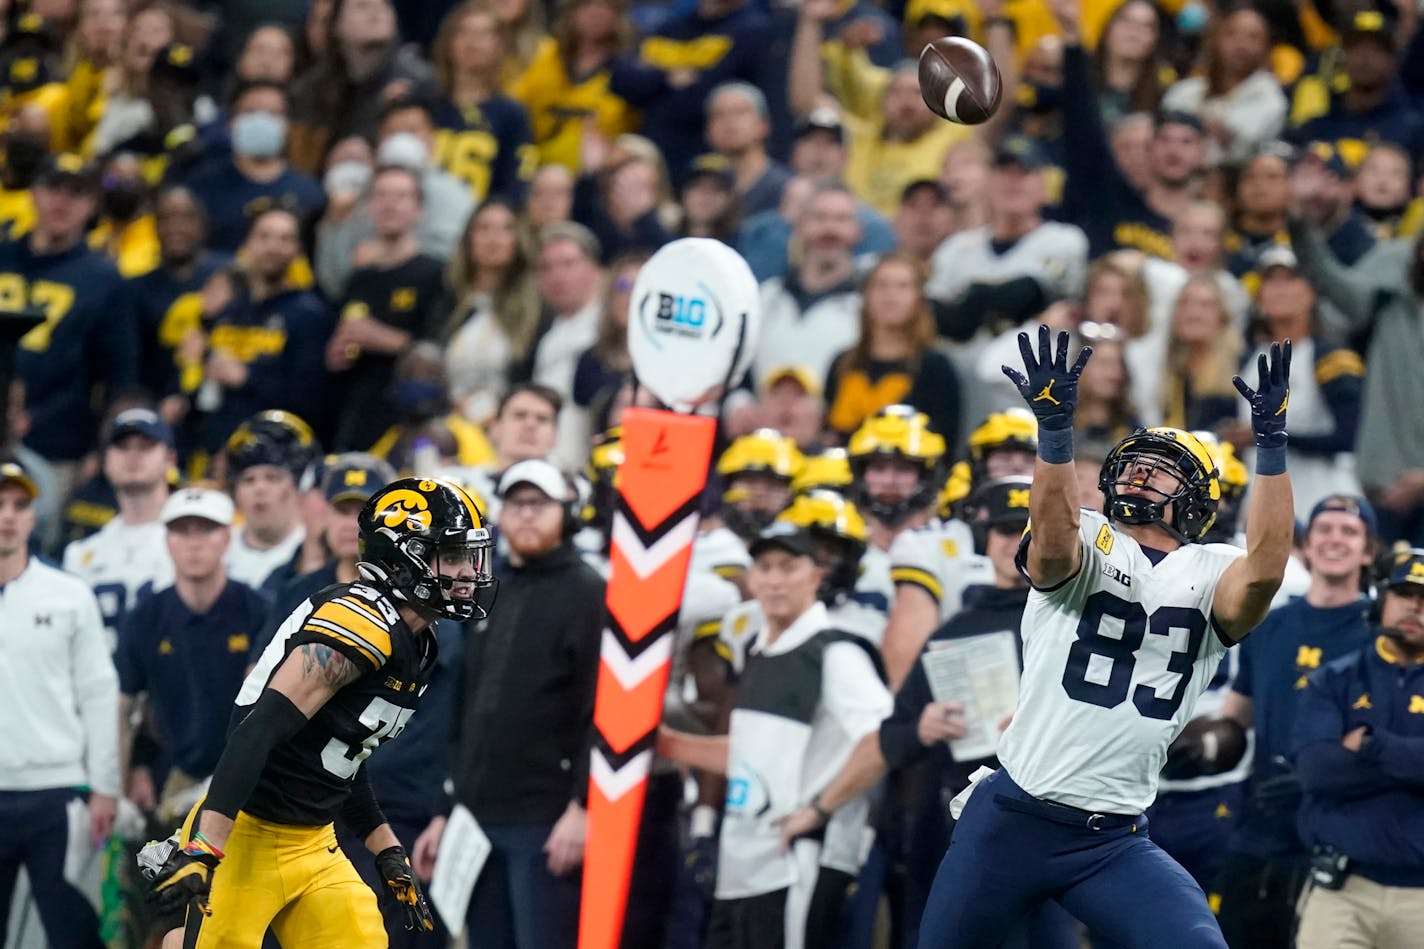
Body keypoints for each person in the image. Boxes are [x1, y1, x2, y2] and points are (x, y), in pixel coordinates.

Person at [913, 325, 1295, 947]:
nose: (1142, 474)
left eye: (1162, 471)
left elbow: (1267, 569)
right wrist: (1055, 436)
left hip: (1111, 838)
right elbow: (1053, 547)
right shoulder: (1087, 532)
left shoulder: (1211, 570)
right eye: (1136, 464)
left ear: (1196, 501)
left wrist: (1271, 447)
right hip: (1012, 818)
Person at [147, 476, 493, 946]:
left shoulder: (420, 641)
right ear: (403, 557)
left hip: (312, 841)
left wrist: (386, 847)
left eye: (468, 556)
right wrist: (204, 848)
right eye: (451, 556)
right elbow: (256, 732)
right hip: (245, 836)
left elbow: (344, 754)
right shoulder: (360, 624)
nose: (469, 572)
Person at [659, 519, 891, 949]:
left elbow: (882, 740)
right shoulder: (757, 647)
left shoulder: (834, 651)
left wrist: (818, 811)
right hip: (747, 861)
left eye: (788, 566)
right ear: (750, 579)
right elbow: (752, 753)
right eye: (764, 567)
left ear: (816, 577)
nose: (775, 579)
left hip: (800, 860)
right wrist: (671, 744)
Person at [412, 460, 603, 948]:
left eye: (539, 504)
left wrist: (583, 807)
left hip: (546, 817)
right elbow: (464, 709)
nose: (526, 515)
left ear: (568, 512)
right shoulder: (487, 590)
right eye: (516, 503)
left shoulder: (590, 594)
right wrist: (445, 808)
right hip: (476, 816)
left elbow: (599, 713)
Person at [1212, 494, 1377, 949]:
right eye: (1324, 529)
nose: (1334, 540)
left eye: (1350, 531)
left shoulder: (1379, 636)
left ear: (1368, 552)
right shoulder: (1267, 622)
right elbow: (1236, 718)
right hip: (1257, 827)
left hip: (1338, 838)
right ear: (1306, 545)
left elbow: (1388, 738)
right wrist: (1201, 747)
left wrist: (1320, 775)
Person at [0, 459, 116, 949]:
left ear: (33, 517)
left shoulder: (70, 595)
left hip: (56, 791)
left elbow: (98, 689)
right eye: (0, 504)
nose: (8, 515)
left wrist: (105, 786)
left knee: (74, 934)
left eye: (20, 505)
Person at [1291, 546, 1424, 949]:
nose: (1415, 607)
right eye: (1404, 594)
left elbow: (1340, 765)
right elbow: (1318, 770)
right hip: (1342, 893)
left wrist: (1369, 743)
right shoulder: (1333, 680)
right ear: (1382, 599)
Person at [115, 486, 267, 827]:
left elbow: (270, 709)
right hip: (167, 778)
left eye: (207, 529)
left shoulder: (257, 610)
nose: (194, 542)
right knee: (158, 875)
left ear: (227, 538)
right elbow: (123, 706)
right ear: (166, 540)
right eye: (182, 530)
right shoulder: (146, 616)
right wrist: (117, 786)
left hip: (245, 780)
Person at [4, 154, 138, 496]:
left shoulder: (105, 280)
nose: (62, 202)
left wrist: (102, 447)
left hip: (57, 446)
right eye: (53, 188)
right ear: (34, 193)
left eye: (76, 193)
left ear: (92, 205)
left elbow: (118, 377)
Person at [1057, 0, 1204, 259]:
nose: (1136, 156)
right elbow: (1083, 131)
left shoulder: (1197, 226)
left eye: (1143, 147)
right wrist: (1072, 40)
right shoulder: (1106, 199)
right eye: (1127, 148)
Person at [326, 165, 445, 452]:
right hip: (354, 416)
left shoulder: (436, 273)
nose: (390, 204)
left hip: (410, 421)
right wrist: (335, 354)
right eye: (380, 195)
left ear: (419, 210)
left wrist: (378, 337)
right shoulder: (359, 277)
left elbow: (439, 349)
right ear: (368, 207)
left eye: (401, 196)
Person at [195, 208, 335, 452]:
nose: (273, 247)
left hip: (278, 454)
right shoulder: (230, 312)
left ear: (298, 250)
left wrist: (246, 378)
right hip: (218, 447)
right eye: (264, 236)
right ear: (247, 244)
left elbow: (313, 400)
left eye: (285, 239)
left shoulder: (310, 314)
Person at [824, 252, 961, 444]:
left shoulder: (935, 367)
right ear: (866, 295)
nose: (891, 295)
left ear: (919, 298)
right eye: (881, 285)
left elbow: (944, 443)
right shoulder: (842, 362)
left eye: (903, 286)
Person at [62, 408, 176, 638]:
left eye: (146, 446)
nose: (133, 456)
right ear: (105, 461)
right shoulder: (80, 553)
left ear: (170, 459)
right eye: (122, 447)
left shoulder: (201, 539)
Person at [185, 80, 325, 254]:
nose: (260, 120)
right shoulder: (200, 188)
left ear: (287, 125)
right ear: (231, 123)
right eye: (250, 112)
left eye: (272, 113)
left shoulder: (310, 192)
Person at [750, 182, 863, 388]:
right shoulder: (767, 296)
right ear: (799, 226)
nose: (830, 229)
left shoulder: (868, 306)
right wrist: (738, 404)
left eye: (841, 219)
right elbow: (741, 367)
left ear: (858, 230)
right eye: (820, 217)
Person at [130, 185, 229, 419]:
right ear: (154, 226)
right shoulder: (135, 289)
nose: (175, 227)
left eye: (186, 217)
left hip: (220, 405)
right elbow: (132, 366)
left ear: (202, 224)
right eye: (166, 219)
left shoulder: (229, 275)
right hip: (159, 411)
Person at [442, 198, 543, 425]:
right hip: (448, 428)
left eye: (505, 229)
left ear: (519, 239)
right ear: (468, 239)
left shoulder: (537, 309)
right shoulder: (446, 302)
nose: (493, 239)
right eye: (484, 228)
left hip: (507, 429)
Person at [429, 2, 535, 204]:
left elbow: (515, 185)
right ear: (448, 42)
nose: (472, 42)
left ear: (500, 44)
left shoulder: (512, 115)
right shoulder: (426, 105)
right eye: (463, 32)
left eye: (483, 34)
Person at [1160, 6, 1285, 164]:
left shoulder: (1272, 100)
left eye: (1253, 37)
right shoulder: (1184, 90)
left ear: (1266, 47)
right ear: (1216, 38)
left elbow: (1246, 146)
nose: (1241, 44)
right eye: (1232, 33)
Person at [528, 222, 605, 468]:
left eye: (568, 264)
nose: (557, 276)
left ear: (595, 270)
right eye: (546, 268)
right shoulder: (549, 335)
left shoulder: (608, 326)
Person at [222, 411, 318, 590]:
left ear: (297, 490)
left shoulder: (314, 552)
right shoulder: (217, 548)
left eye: (272, 478)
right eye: (248, 480)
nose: (259, 489)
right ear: (236, 493)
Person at [705, 82, 791, 218]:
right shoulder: (705, 190)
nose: (729, 121)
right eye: (719, 114)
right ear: (709, 131)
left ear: (763, 124)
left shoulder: (786, 187)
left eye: (740, 112)